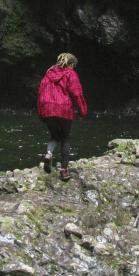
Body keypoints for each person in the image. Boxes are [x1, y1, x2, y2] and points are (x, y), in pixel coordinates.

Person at [37, 52, 87, 181]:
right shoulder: (71, 73)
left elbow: (40, 93)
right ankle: (64, 171)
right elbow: (77, 94)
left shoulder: (48, 74)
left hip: (48, 108)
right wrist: (83, 111)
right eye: (74, 65)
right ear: (71, 64)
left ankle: (49, 154)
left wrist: (41, 112)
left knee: (54, 137)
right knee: (65, 138)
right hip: (64, 109)